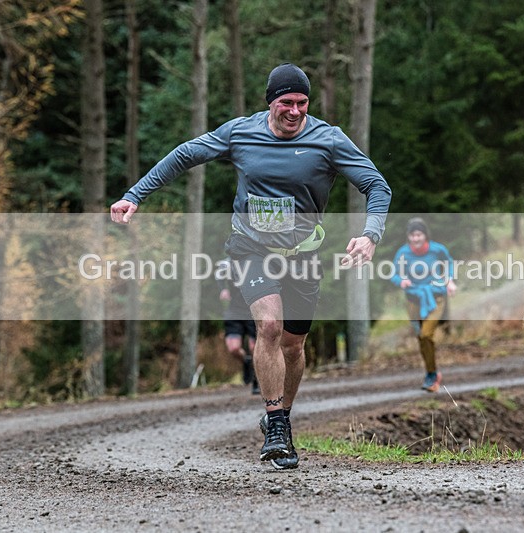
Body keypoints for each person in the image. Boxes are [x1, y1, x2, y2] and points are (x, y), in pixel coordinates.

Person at [110, 63, 391, 470]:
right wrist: (135, 195)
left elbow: (375, 184)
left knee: (294, 347)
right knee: (270, 326)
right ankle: (277, 426)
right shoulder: (241, 132)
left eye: (302, 103)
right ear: (270, 103)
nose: (295, 111)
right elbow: (187, 154)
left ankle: (279, 417)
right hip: (250, 248)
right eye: (286, 103)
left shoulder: (328, 139)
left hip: (303, 256)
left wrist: (370, 234)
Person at [390, 217, 456, 392]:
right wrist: (401, 281)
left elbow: (449, 263)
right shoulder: (403, 253)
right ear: (408, 237)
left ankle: (432, 375)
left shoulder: (437, 250)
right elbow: (394, 274)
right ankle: (431, 374)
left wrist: (449, 280)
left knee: (426, 334)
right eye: (412, 235)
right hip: (414, 300)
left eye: (418, 235)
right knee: (421, 338)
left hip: (436, 297)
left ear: (425, 235)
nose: (415, 239)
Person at [216, 257, 259, 395]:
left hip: (253, 309)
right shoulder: (230, 262)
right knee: (233, 348)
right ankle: (247, 362)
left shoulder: (258, 260)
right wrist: (222, 289)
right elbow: (219, 272)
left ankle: (257, 380)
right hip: (234, 310)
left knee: (255, 348)